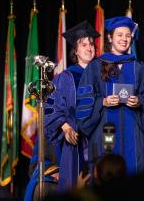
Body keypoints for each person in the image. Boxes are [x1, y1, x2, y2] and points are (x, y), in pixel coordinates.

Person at [76, 16, 144, 179]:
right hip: (105, 133)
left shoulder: (140, 68)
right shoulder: (95, 67)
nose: (124, 39)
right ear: (110, 37)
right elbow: (83, 101)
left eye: (128, 35)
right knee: (106, 178)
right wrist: (103, 101)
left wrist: (139, 102)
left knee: (135, 179)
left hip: (135, 135)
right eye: (119, 35)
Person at [24, 21, 100, 200]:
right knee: (74, 187)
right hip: (75, 142)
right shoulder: (65, 77)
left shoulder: (102, 76)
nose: (89, 48)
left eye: (91, 44)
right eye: (84, 44)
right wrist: (65, 127)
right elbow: (51, 107)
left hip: (98, 141)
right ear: (75, 50)